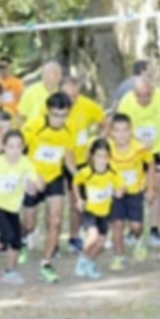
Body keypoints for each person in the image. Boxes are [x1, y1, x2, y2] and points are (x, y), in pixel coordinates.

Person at [21, 92, 76, 283]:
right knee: (29, 223)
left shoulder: (69, 131)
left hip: (54, 177)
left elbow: (68, 158)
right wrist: (31, 176)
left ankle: (46, 262)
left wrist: (81, 178)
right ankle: (23, 239)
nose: (59, 120)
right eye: (55, 115)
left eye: (63, 115)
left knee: (56, 220)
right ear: (47, 111)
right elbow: (18, 152)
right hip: (32, 177)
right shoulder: (35, 125)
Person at [0, 130, 41, 284]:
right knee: (7, 234)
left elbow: (34, 180)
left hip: (12, 205)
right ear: (4, 147)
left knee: (16, 240)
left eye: (18, 146)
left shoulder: (26, 163)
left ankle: (9, 271)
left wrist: (34, 186)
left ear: (23, 147)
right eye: (10, 146)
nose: (14, 150)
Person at [116, 75, 160, 247]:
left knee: (154, 186)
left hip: (157, 150)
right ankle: (132, 230)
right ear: (133, 93)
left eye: (147, 95)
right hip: (134, 151)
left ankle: (155, 229)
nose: (143, 99)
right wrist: (136, 143)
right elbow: (120, 128)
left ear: (153, 91)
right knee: (131, 188)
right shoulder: (126, 102)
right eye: (139, 95)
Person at [60, 76, 107, 255]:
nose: (71, 100)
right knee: (55, 204)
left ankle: (74, 237)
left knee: (77, 202)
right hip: (59, 161)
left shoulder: (87, 105)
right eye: (68, 95)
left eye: (74, 95)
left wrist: (97, 141)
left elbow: (105, 121)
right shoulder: (54, 108)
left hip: (81, 161)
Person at [107, 114, 156, 269]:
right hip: (116, 192)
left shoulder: (139, 148)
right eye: (117, 131)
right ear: (111, 133)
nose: (121, 135)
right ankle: (119, 257)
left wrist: (151, 188)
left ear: (131, 131)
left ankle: (139, 238)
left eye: (125, 130)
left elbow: (151, 165)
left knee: (136, 226)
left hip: (135, 191)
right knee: (117, 224)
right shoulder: (107, 148)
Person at [73, 139, 124, 278]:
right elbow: (76, 182)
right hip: (90, 210)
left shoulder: (112, 172)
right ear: (92, 156)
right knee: (93, 236)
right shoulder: (87, 172)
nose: (102, 160)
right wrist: (79, 199)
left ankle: (88, 262)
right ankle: (82, 257)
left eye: (105, 156)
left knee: (101, 243)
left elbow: (120, 187)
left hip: (104, 212)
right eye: (99, 156)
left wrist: (119, 191)